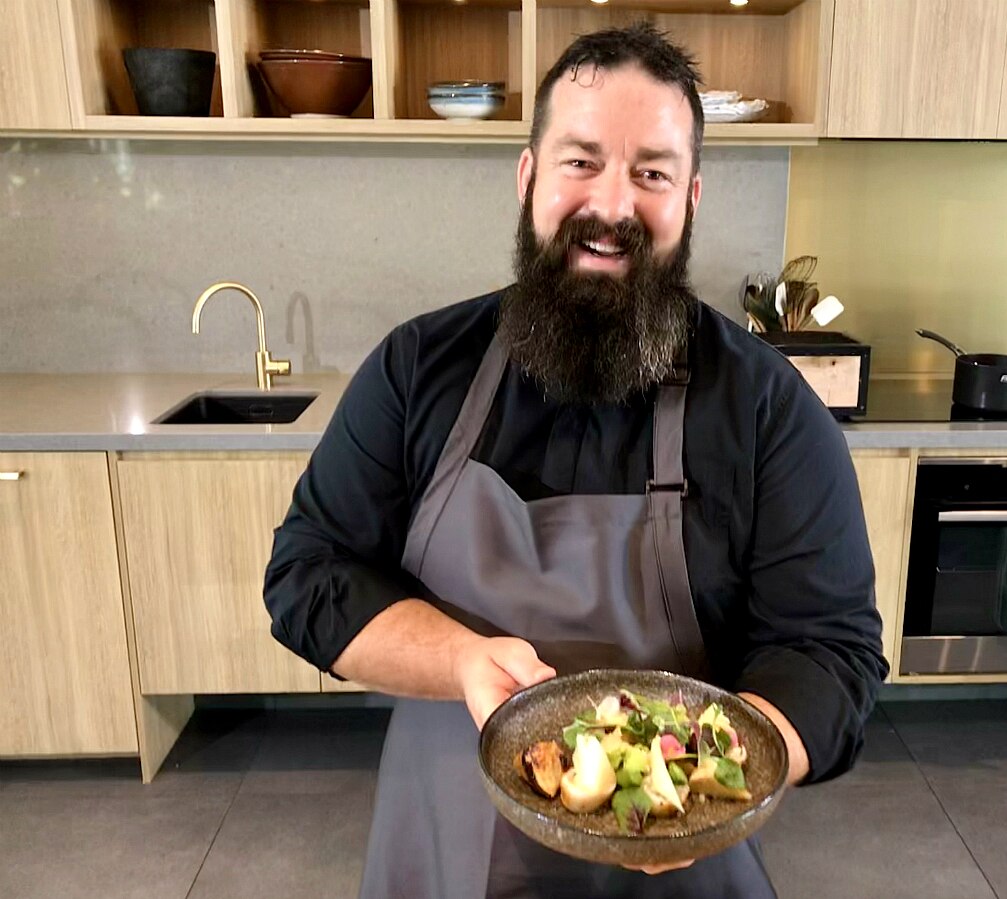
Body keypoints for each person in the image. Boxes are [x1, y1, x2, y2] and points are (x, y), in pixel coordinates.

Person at [264, 22, 887, 899]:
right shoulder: (417, 368)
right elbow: (306, 574)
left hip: (677, 849)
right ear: (528, 177)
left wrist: (719, 787)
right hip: (444, 843)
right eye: (581, 161)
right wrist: (461, 662)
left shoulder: (767, 406)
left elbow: (832, 650)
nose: (613, 205)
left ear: (692, 198)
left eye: (652, 173)